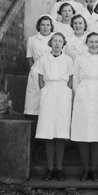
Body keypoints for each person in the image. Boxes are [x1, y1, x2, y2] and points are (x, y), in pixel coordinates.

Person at [71, 32, 98, 182]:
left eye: (96, 42)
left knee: (97, 132)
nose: (94, 44)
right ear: (86, 43)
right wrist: (79, 94)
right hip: (84, 95)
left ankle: (93, 169)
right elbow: (75, 80)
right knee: (83, 132)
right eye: (91, 42)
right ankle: (85, 169)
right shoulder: (80, 59)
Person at [34, 32, 74, 181]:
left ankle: (59, 168)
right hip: (49, 92)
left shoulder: (68, 60)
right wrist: (44, 90)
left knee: (60, 132)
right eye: (55, 41)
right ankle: (50, 169)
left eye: (60, 41)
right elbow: (40, 79)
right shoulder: (44, 59)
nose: (57, 44)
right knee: (48, 131)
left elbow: (70, 79)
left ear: (63, 44)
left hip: (63, 92)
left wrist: (67, 91)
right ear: (51, 43)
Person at [24, 15, 54, 117]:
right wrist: (34, 70)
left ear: (51, 26)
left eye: (48, 25)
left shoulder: (55, 38)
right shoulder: (32, 40)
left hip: (52, 69)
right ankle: (33, 117)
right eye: (43, 25)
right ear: (39, 26)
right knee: (35, 95)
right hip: (37, 69)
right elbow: (29, 57)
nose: (45, 27)